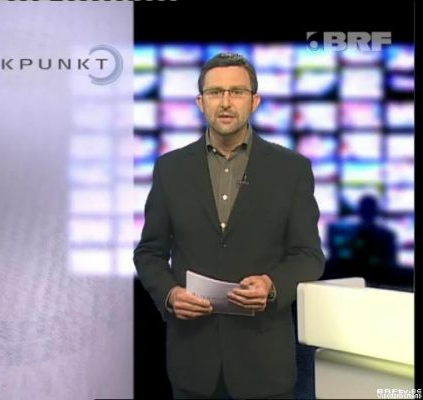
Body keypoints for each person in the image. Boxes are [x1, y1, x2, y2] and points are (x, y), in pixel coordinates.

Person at [133, 53, 325, 399]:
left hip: (264, 362)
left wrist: (272, 285)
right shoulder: (170, 169)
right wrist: (170, 295)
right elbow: (149, 252)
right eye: (215, 92)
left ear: (254, 101)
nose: (225, 102)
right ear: (200, 102)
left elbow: (308, 255)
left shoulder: (291, 169)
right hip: (192, 360)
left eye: (236, 92)